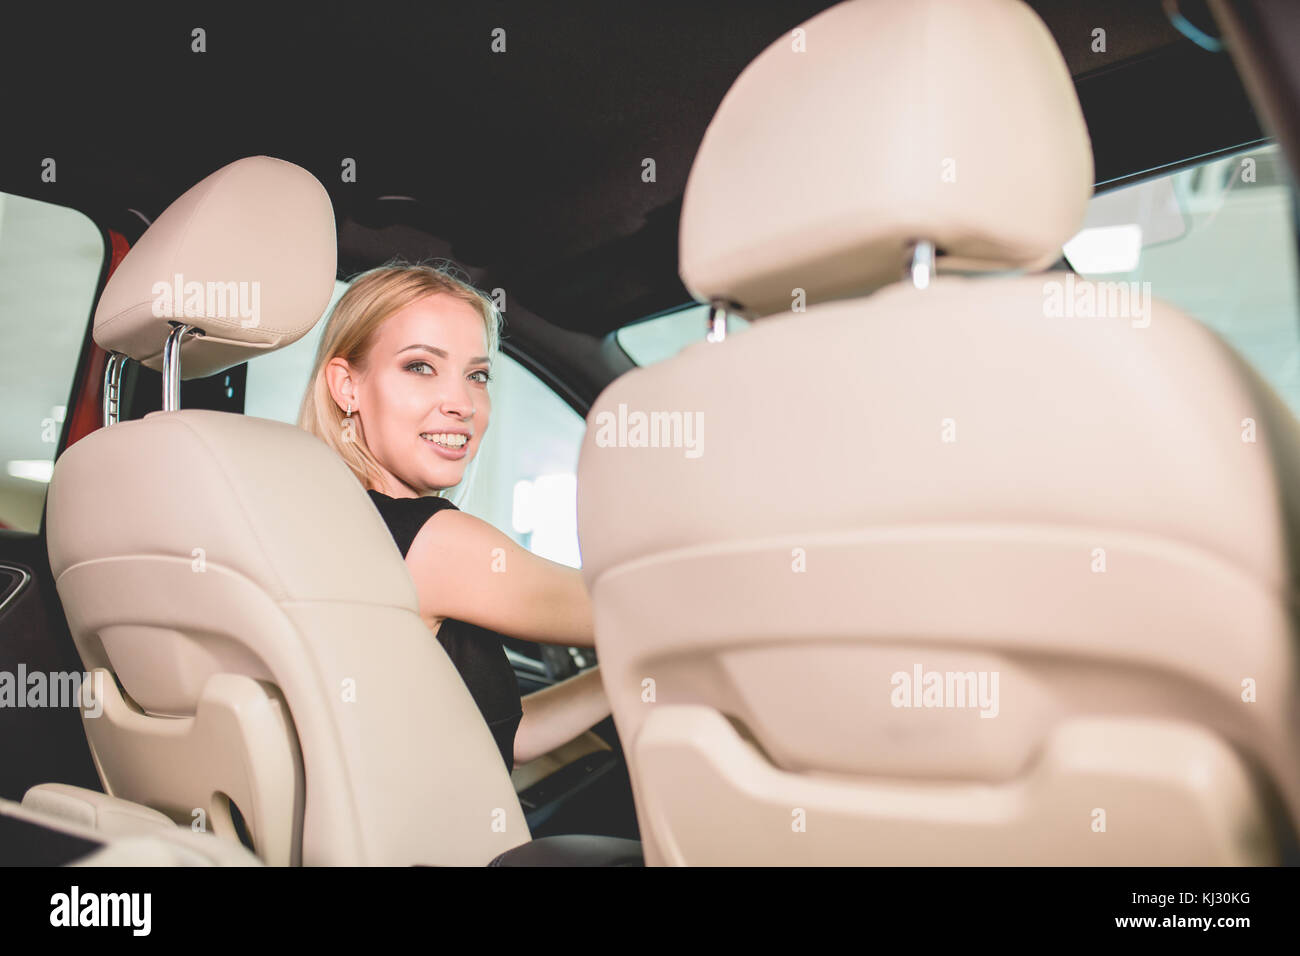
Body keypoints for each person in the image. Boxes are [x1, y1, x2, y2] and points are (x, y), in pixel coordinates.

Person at [297, 261, 611, 776]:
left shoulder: (323, 522)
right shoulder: (435, 541)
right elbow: (641, 607)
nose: (462, 403)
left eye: (477, 375)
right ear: (346, 385)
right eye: (420, 366)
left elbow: (502, 735)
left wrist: (636, 674)